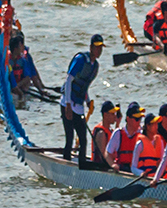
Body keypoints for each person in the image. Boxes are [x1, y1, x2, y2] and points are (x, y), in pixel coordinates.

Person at [59, 34, 104, 164]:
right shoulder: (80, 60)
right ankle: (66, 162)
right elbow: (69, 81)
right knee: (70, 137)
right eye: (96, 47)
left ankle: (82, 165)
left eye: (101, 48)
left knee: (83, 139)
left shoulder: (95, 66)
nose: (99, 50)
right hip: (67, 102)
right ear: (91, 47)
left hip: (78, 105)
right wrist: (67, 105)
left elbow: (84, 86)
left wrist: (88, 101)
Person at [107, 103, 143, 173]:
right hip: (121, 170)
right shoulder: (118, 133)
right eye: (136, 119)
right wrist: (112, 165)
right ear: (128, 119)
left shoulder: (141, 134)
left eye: (140, 119)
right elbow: (108, 154)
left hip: (136, 171)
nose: (139, 122)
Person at [89, 101, 119, 170]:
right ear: (105, 115)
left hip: (110, 164)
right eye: (112, 114)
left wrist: (118, 123)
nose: (115, 116)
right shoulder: (101, 133)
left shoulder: (110, 130)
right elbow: (103, 156)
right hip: (100, 168)